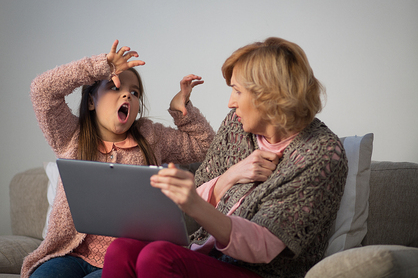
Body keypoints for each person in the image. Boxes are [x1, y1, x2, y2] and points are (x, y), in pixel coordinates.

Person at [101, 37, 348, 278]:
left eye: (237, 91)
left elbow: (263, 246)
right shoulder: (236, 126)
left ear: (270, 97)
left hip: (264, 271)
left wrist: (195, 205)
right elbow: (197, 191)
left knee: (159, 256)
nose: (230, 103)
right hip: (208, 257)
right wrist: (229, 177)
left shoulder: (321, 152)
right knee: (122, 249)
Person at [21, 40, 215, 278]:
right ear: (91, 100)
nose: (127, 94)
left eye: (134, 93)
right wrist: (100, 67)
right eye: (114, 86)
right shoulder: (71, 136)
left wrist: (181, 110)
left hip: (122, 261)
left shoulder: (151, 136)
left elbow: (206, 147)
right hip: (69, 255)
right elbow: (41, 90)